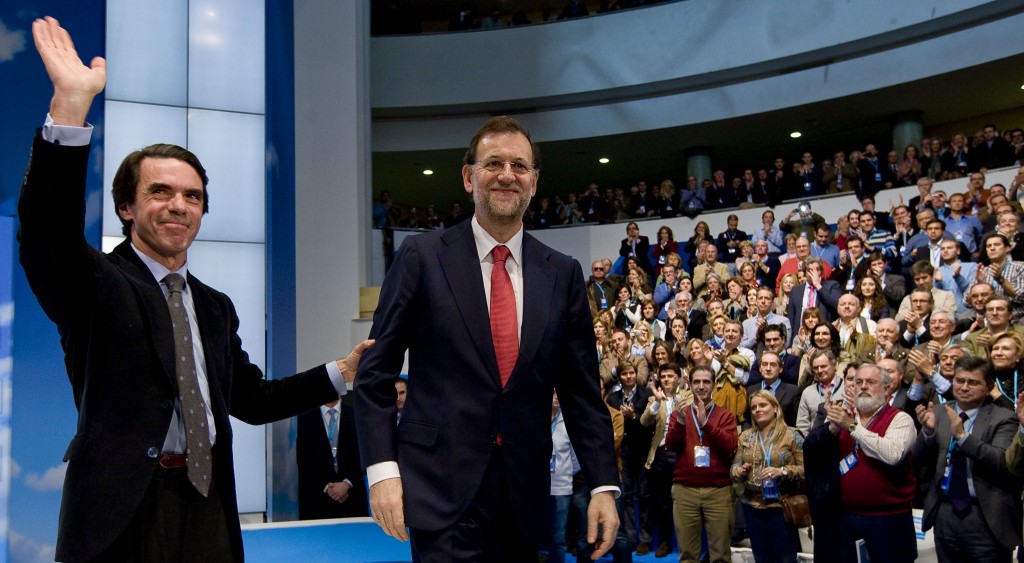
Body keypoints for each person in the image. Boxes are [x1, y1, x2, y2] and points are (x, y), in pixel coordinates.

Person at [19, 17, 374, 562]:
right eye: (160, 191)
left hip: (207, 505)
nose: (178, 205)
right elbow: (48, 235)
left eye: (192, 195)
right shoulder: (97, 283)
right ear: (126, 207)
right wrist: (69, 108)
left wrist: (339, 373)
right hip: (122, 510)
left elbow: (252, 401)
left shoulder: (213, 307)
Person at [355, 116, 620, 561]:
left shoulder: (563, 273)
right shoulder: (421, 257)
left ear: (534, 183)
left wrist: (602, 484)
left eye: (520, 166)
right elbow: (375, 374)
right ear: (468, 177)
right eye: (493, 163)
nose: (506, 175)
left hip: (524, 497)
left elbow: (580, 392)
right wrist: (382, 471)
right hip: (440, 494)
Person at [805, 364, 918, 563]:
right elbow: (812, 452)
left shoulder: (900, 419)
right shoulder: (841, 416)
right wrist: (830, 430)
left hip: (889, 520)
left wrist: (852, 427)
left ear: (886, 389)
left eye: (871, 382)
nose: (863, 386)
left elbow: (892, 454)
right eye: (859, 382)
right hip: (846, 518)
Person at [913, 357, 1021, 562]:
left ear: (989, 386)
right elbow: (917, 461)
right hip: (945, 513)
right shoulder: (938, 412)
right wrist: (927, 433)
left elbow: (1001, 462)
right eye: (959, 380)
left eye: (973, 382)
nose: (964, 387)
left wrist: (963, 437)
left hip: (985, 515)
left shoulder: (1004, 418)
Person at [664, 366, 738, 563]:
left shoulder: (725, 416)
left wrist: (707, 425)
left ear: (713, 385)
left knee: (721, 555)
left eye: (706, 382)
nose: (701, 386)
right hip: (685, 490)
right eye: (696, 382)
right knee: (688, 555)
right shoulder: (679, 414)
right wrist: (680, 422)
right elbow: (670, 445)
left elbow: (730, 445)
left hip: (719, 492)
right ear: (690, 385)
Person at [731, 391, 805, 563]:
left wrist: (783, 471)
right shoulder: (745, 436)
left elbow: (806, 469)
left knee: (784, 558)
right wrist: (740, 471)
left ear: (775, 408)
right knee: (761, 557)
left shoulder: (792, 435)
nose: (757, 410)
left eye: (762, 405)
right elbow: (734, 468)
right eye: (754, 407)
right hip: (752, 506)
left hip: (781, 506)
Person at [639, 363, 692, 557]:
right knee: (660, 501)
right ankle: (664, 541)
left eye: (671, 376)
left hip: (682, 454)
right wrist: (656, 403)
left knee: (684, 501)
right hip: (660, 454)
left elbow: (693, 419)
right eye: (664, 376)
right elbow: (644, 421)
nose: (667, 379)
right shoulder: (654, 398)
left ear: (679, 378)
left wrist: (677, 400)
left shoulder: (688, 397)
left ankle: (687, 545)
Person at [296, 395, 369, 521]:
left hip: (352, 498)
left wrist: (346, 483)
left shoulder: (356, 415)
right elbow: (304, 461)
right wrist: (327, 487)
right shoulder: (305, 418)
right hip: (317, 500)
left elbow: (364, 454)